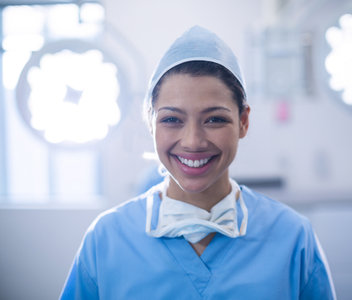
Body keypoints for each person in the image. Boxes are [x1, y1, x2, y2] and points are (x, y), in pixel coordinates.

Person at [60, 26, 336, 300]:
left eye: (214, 119)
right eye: (171, 119)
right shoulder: (106, 239)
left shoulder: (292, 238)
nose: (193, 141)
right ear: (150, 122)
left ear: (243, 122)